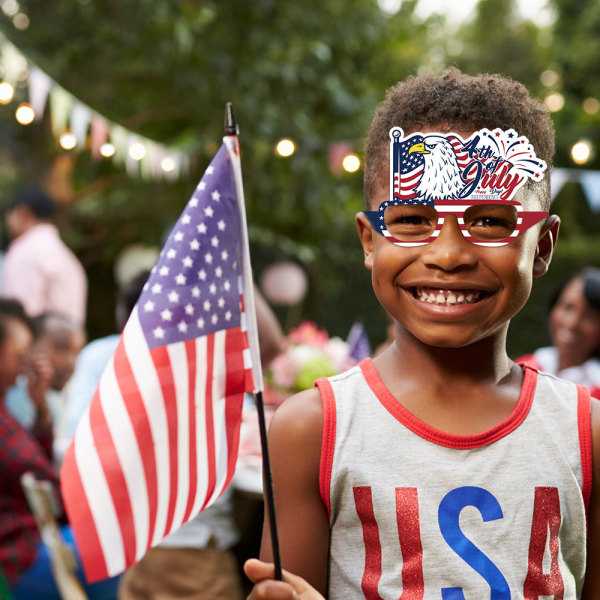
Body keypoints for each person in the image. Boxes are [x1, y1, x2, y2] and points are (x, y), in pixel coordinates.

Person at [244, 68, 600, 599]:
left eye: (490, 221)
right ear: (369, 239)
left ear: (543, 246)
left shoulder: (587, 432)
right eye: (411, 218)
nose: (449, 254)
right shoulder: (313, 430)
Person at [0, 299, 118, 599]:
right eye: (20, 356)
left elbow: (32, 465)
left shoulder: (10, 407)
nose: (27, 366)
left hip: (30, 538)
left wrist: (40, 409)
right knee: (112, 549)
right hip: (16, 554)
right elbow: (45, 481)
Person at [2, 185, 88, 326]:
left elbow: (19, 316)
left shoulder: (24, 251)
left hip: (40, 345)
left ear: (22, 213)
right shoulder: (66, 255)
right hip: (69, 342)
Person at [5, 311, 86, 461]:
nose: (70, 362)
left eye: (77, 352)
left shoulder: (53, 397)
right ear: (30, 345)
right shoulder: (14, 392)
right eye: (61, 348)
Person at [518, 266, 600, 399]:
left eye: (589, 317)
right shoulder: (524, 366)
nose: (572, 323)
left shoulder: (596, 389)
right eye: (568, 307)